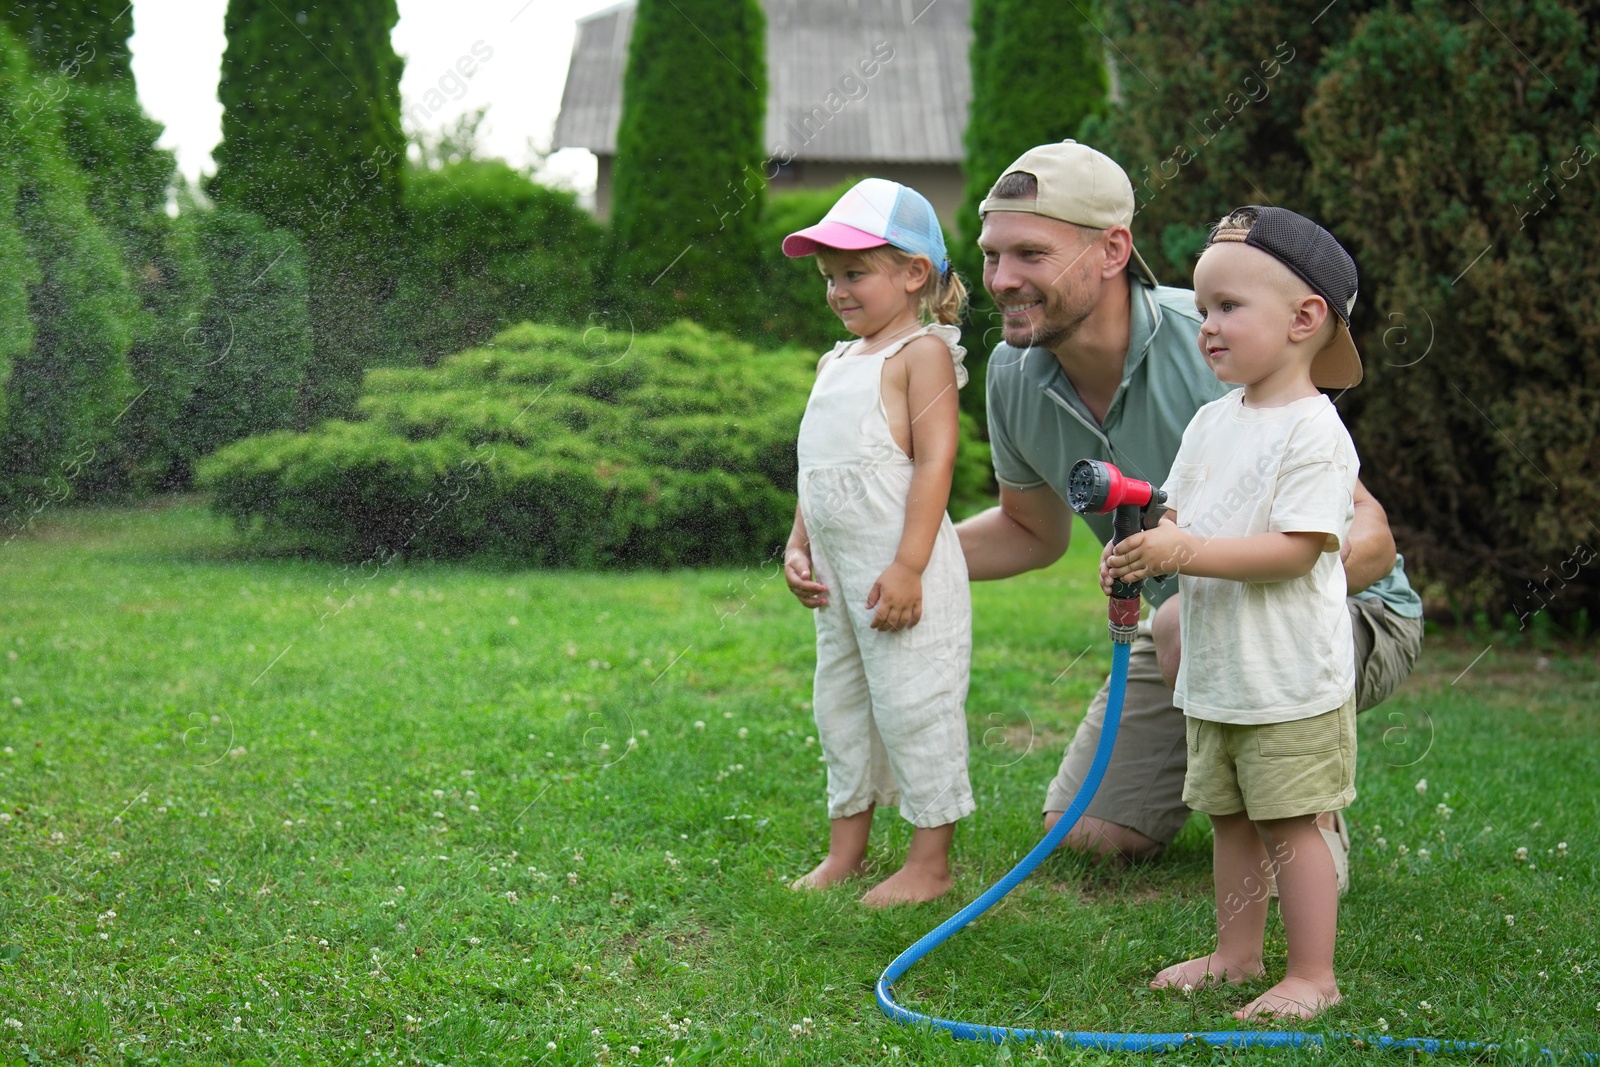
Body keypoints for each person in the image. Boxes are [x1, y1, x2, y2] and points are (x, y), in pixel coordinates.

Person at [954, 140, 1424, 887]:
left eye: (1030, 255)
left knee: (1175, 626)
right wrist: (901, 555)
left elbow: (1368, 535)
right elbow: (1027, 531)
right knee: (1091, 834)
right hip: (1189, 621)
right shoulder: (1012, 372)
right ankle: (1245, 789)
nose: (1001, 281)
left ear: (1112, 250)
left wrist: (1215, 575)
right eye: (991, 256)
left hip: (1349, 613)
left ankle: (1300, 813)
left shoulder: (1218, 341)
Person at [1105, 205, 1362, 1020]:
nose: (1205, 325)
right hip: (1219, 672)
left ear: (1304, 318)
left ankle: (1313, 973)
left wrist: (1185, 554)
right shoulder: (1213, 422)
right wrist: (1150, 546)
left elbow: (1296, 548)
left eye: (1227, 307)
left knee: (1291, 821)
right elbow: (1180, 516)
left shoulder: (1315, 432)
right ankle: (1236, 953)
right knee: (1230, 818)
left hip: (1287, 676)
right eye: (1202, 308)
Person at [779, 178, 975, 906]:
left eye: (854, 272)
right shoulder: (835, 363)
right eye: (829, 276)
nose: (837, 290)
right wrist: (800, 544)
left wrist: (908, 564)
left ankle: (930, 862)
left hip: (904, 580)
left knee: (913, 705)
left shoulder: (920, 354)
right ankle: (847, 851)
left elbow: (935, 462)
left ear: (914, 272)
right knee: (843, 705)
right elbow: (818, 470)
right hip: (840, 580)